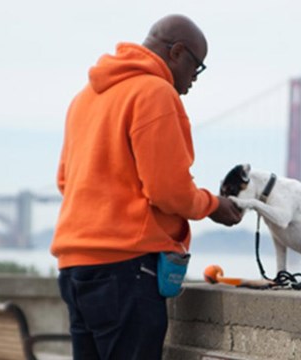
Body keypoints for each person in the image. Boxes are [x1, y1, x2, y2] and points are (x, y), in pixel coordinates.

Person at [50, 14, 243, 360]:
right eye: (196, 68)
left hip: (75, 268)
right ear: (177, 52)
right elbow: (168, 191)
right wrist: (213, 205)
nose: (194, 81)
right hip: (125, 270)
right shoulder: (155, 93)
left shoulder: (85, 98)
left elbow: (66, 181)